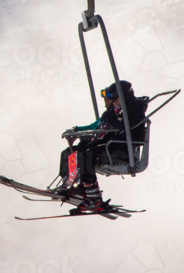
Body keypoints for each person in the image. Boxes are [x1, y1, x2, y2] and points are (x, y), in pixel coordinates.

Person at [55, 80, 145, 212]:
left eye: (114, 99)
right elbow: (113, 129)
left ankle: (94, 197)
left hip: (122, 149)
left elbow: (123, 127)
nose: (113, 102)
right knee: (84, 146)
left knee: (88, 152)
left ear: (123, 96)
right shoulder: (122, 110)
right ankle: (82, 188)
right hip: (114, 144)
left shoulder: (135, 109)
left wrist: (109, 115)